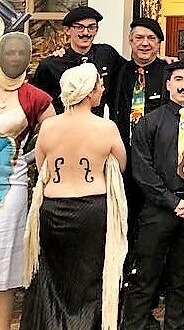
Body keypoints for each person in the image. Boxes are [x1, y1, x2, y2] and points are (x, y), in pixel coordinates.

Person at [22, 64, 127, 330]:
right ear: (89, 92)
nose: (103, 89)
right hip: (91, 211)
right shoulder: (106, 128)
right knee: (89, 280)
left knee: (53, 278)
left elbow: (42, 165)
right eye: (99, 85)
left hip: (53, 209)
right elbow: (121, 164)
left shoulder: (49, 127)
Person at [123, 62, 184, 330]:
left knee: (182, 279)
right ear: (168, 85)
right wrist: (171, 201)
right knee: (144, 276)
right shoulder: (149, 122)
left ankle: (175, 326)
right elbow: (142, 169)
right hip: (158, 210)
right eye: (178, 79)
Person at [0, 33, 54, 330]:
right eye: (9, 52)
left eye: (21, 53)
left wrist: (27, 158)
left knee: (4, 259)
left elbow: (54, 136)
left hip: (11, 187)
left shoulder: (36, 97)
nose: (15, 58)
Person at [107, 18, 169, 251]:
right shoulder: (117, 72)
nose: (145, 43)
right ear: (130, 41)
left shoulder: (170, 73)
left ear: (159, 43)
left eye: (151, 38)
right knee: (125, 217)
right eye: (139, 38)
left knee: (156, 220)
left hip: (158, 160)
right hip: (124, 158)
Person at [32, 5, 126, 115]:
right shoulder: (51, 65)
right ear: (67, 30)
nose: (86, 33)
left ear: (97, 30)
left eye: (91, 27)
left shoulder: (107, 55)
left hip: (96, 123)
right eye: (80, 27)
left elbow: (130, 70)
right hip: (62, 123)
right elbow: (38, 103)